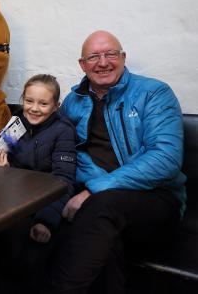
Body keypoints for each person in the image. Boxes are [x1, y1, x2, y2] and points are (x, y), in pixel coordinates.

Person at [45, 30, 186, 294]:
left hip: (156, 198)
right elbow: (58, 148)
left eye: (110, 54)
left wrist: (95, 188)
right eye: (94, 56)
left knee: (101, 207)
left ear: (123, 57)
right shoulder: (72, 103)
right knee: (88, 230)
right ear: (82, 64)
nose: (103, 62)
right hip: (99, 205)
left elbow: (166, 159)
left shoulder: (154, 93)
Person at [0, 74, 77, 292]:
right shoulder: (16, 124)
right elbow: (2, 157)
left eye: (43, 103)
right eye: (29, 101)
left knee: (22, 252)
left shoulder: (63, 131)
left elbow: (64, 180)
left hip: (42, 207)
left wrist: (46, 221)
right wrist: (2, 170)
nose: (34, 108)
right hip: (13, 200)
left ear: (56, 106)